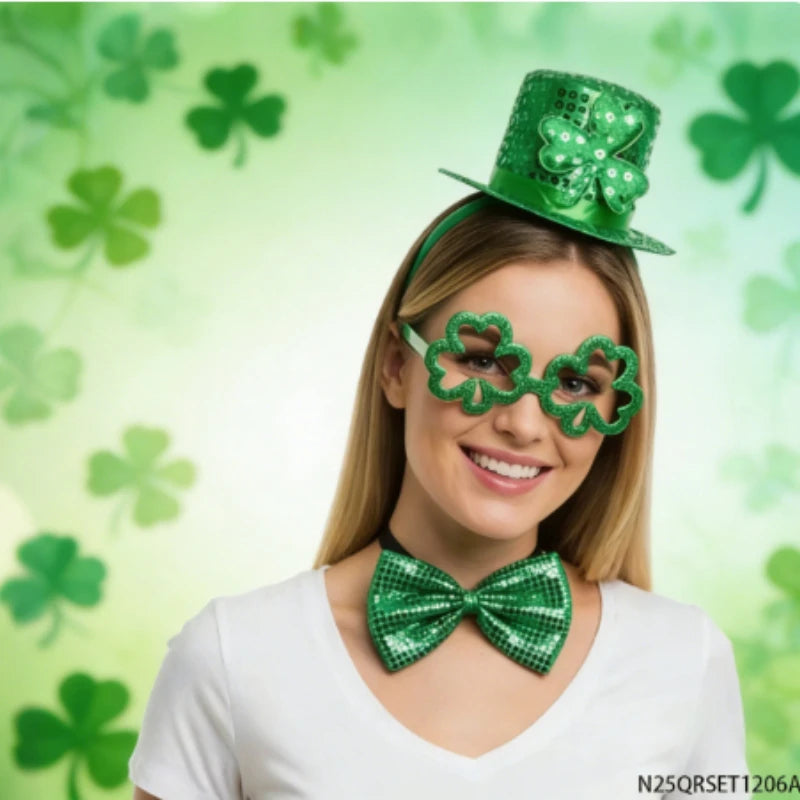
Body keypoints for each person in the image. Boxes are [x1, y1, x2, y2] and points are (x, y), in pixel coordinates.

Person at [129, 70, 750, 800]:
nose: (523, 423)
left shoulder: (684, 663)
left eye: (577, 384)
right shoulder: (233, 659)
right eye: (484, 362)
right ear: (398, 366)